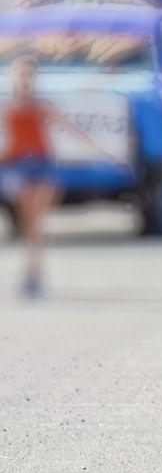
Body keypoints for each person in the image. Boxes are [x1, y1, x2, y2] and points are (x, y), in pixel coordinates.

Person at [1, 58, 59, 296]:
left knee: (35, 222)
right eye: (20, 74)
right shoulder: (7, 108)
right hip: (19, 168)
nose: (24, 79)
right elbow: (10, 143)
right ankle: (31, 274)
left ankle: (33, 273)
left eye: (28, 74)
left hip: (43, 166)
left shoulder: (42, 106)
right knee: (29, 223)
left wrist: (100, 151)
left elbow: (65, 129)